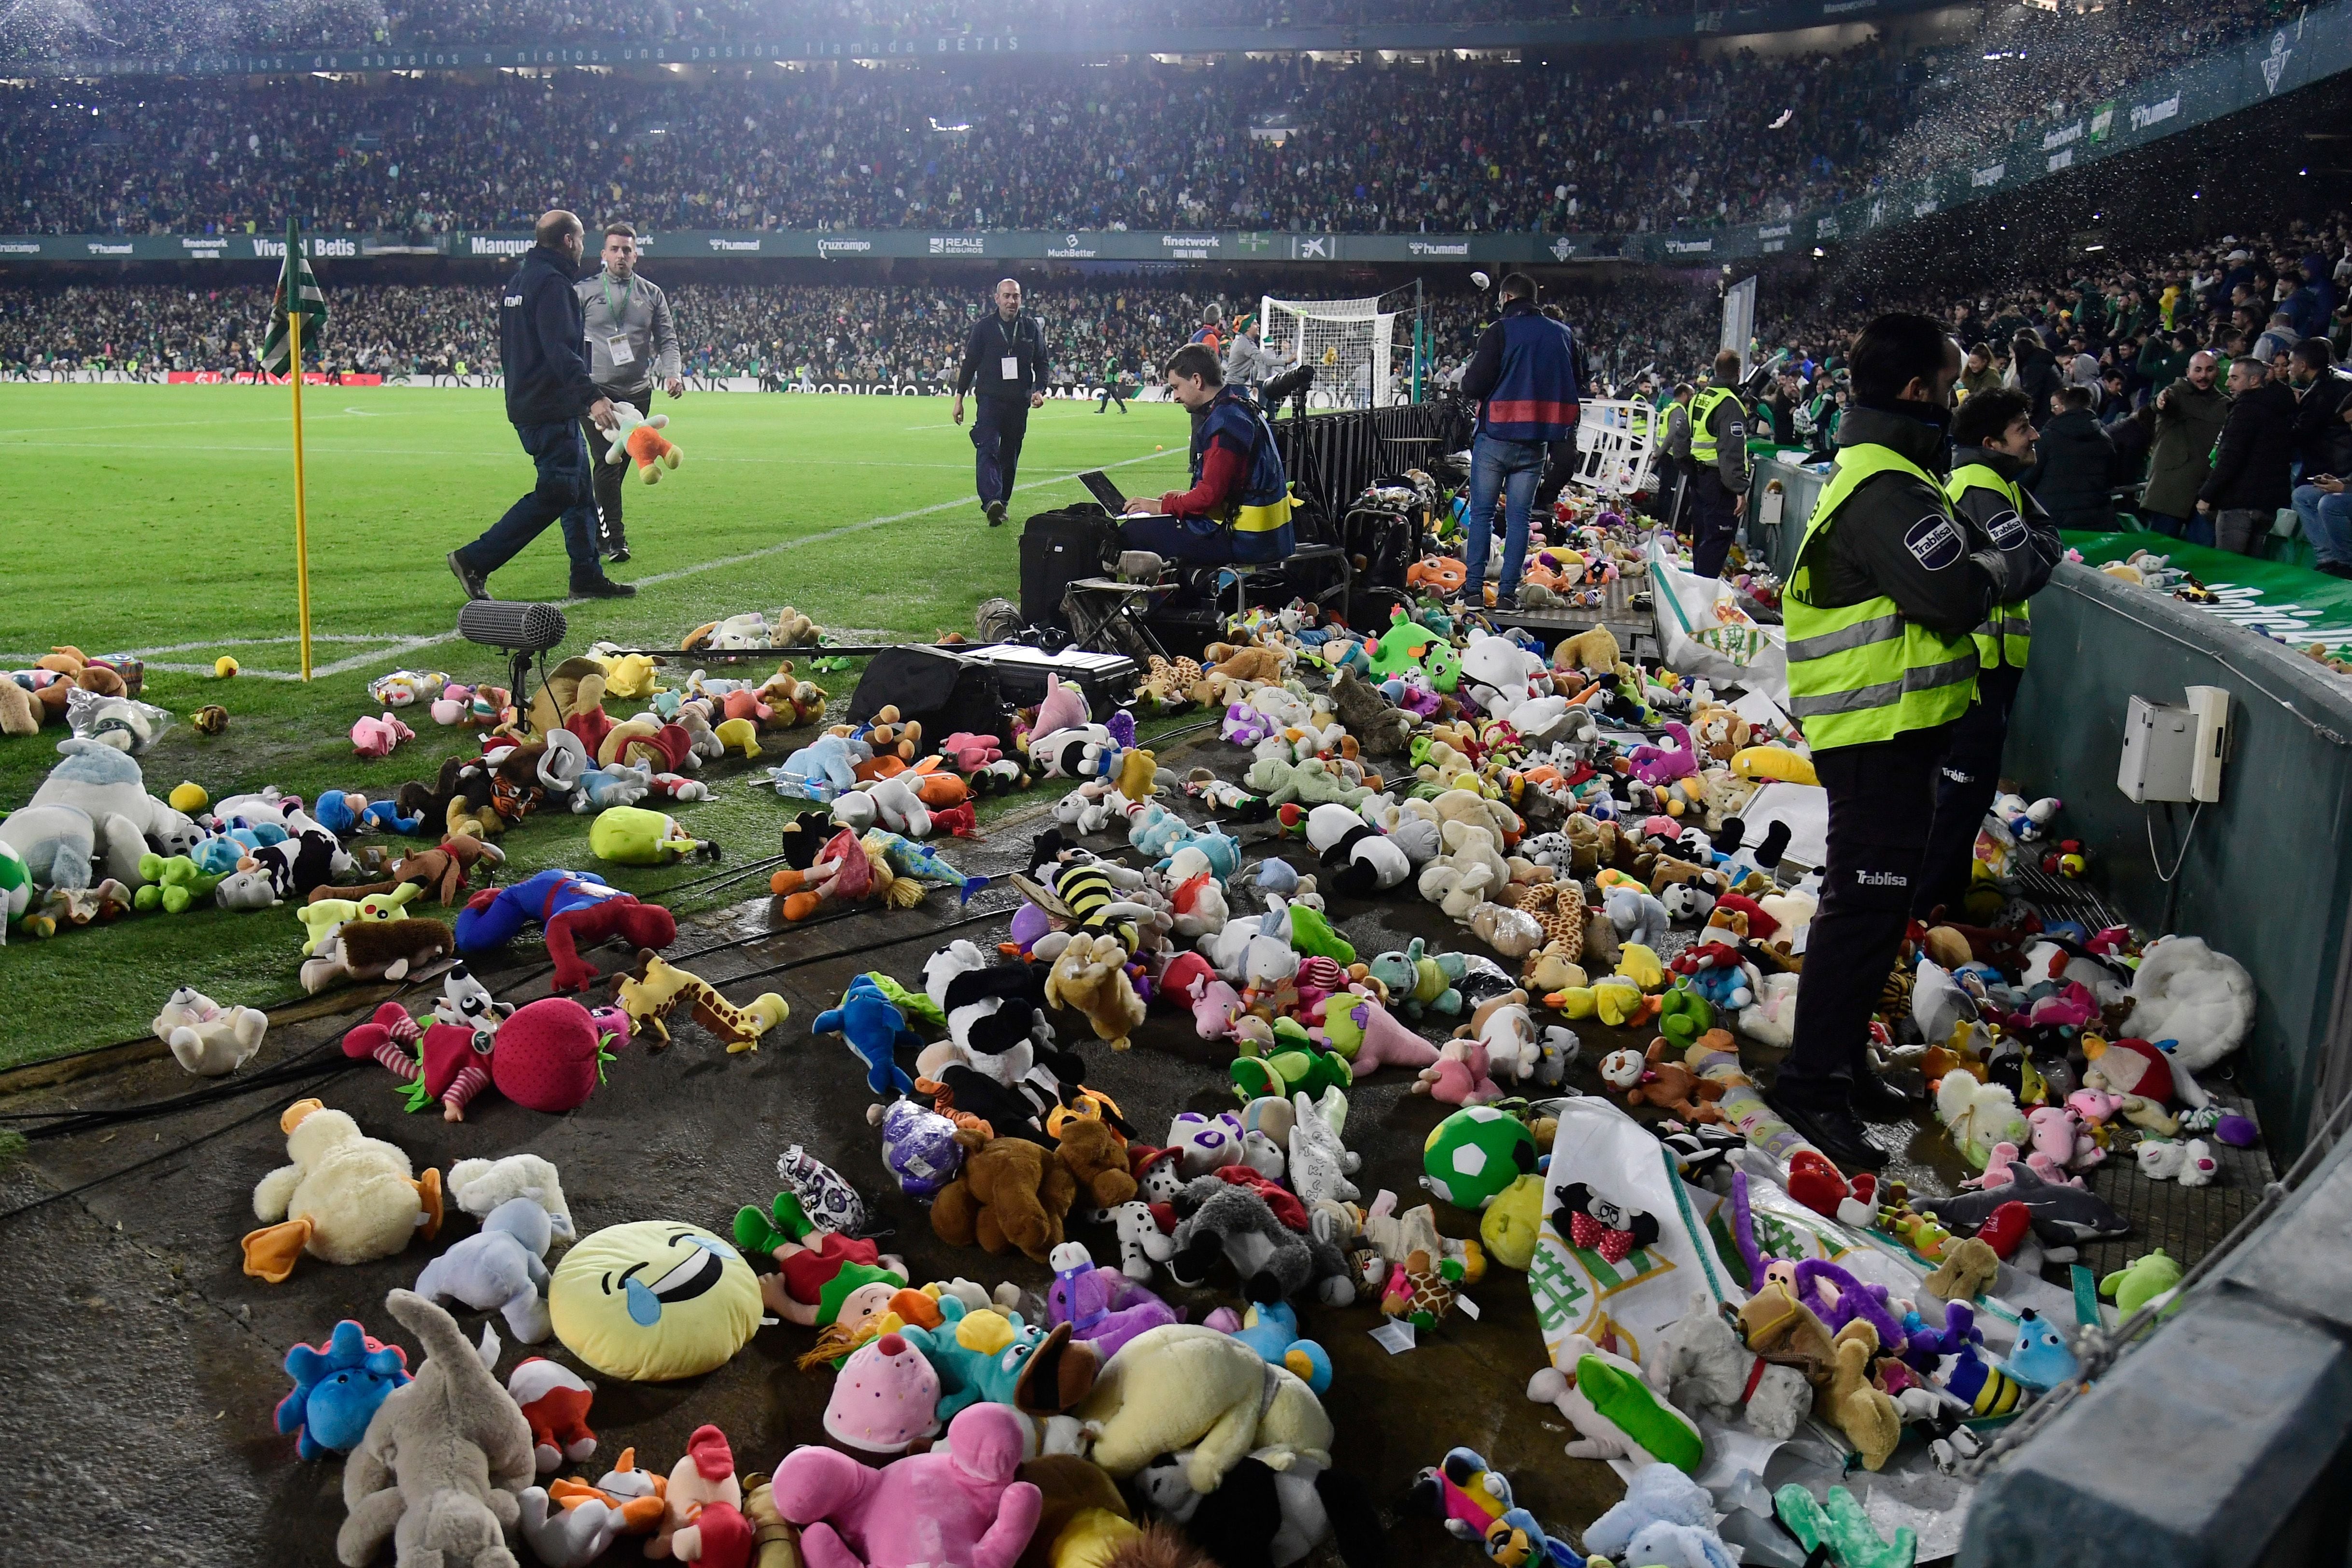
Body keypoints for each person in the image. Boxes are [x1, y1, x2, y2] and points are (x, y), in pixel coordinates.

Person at [1770, 313, 2006, 1170]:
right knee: (1860, 905)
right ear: (1918, 391)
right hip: (1873, 734)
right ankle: (1809, 1082)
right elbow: (1951, 597)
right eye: (1951, 382)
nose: (1958, 397)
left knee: (1879, 907)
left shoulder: (1894, 475)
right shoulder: (1883, 489)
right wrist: (2001, 568)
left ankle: (1842, 1059)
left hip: (1895, 732)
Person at [1912, 387, 2061, 919]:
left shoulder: (1994, 483)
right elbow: (2026, 563)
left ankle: (1935, 902)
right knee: (1958, 796)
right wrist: (2043, 545)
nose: (2035, 434)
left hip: (1984, 665)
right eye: (2023, 427)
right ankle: (1930, 910)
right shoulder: (1981, 486)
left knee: (1963, 796)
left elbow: (2038, 540)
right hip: (1977, 666)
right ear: (1991, 442)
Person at [447, 210, 628, 603]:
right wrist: (593, 397)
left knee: (579, 491)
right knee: (559, 490)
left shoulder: (520, 281)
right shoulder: (552, 285)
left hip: (531, 400)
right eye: (580, 239)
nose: (583, 246)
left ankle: (586, 574)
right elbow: (560, 350)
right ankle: (474, 559)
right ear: (567, 241)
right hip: (548, 407)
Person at [1457, 273, 1580, 607]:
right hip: (1537, 441)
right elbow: (1578, 382)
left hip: (1495, 435)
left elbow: (1472, 385)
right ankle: (1509, 593)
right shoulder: (1563, 335)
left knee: (1482, 514)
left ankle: (1473, 591)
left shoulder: (1498, 331)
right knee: (1519, 519)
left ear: (1507, 297)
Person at [1116, 344, 1294, 565]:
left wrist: (1157, 507)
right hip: (1271, 536)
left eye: (1177, 387)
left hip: (1245, 540)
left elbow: (1208, 497)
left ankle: (1145, 599)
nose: (1175, 397)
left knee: (1130, 532)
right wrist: (1181, 499)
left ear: (1197, 380)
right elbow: (1231, 487)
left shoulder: (1225, 423)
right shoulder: (1242, 407)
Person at [575, 222, 682, 565]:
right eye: (615, 249)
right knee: (608, 462)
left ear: (636, 254)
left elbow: (667, 338)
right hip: (598, 393)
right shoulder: (584, 291)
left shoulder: (651, 294)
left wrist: (673, 371)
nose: (621, 255)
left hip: (637, 394)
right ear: (603, 253)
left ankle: (595, 530)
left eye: (627, 249)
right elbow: (567, 339)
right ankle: (615, 540)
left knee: (618, 469)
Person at [952, 278, 1047, 527]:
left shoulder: (1030, 328)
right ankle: (991, 500)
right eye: (1006, 296)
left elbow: (1042, 362)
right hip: (990, 400)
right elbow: (970, 363)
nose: (1011, 301)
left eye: (1015, 296)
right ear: (997, 299)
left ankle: (1002, 503)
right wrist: (959, 399)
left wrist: (1040, 390)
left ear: (1021, 299)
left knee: (1010, 454)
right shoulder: (983, 328)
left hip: (1019, 402)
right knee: (987, 447)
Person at [2198, 354, 2298, 554]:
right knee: (2250, 574)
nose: (2227, 383)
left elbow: (2230, 456)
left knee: (2228, 571)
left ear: (2254, 380)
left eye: (2235, 378)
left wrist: (2207, 494)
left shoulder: (2245, 409)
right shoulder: (2281, 408)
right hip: (2268, 506)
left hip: (2239, 502)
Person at [2144, 351, 2229, 540]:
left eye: (2209, 370)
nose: (2203, 376)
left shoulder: (2225, 405)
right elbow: (2162, 402)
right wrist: (2160, 401)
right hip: (2170, 493)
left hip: (2205, 496)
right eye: (2198, 370)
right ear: (2188, 372)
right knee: (2157, 555)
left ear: (2217, 372)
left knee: (2202, 557)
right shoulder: (2175, 393)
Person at [1687, 349, 1752, 579]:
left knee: (1703, 538)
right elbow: (1730, 450)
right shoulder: (1730, 404)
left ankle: (1697, 590)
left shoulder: (1700, 397)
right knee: (1717, 540)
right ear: (1738, 372)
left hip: (1699, 478)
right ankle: (1703, 599)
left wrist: (1689, 471)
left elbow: (1684, 438)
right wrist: (1739, 489)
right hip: (1719, 483)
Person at [2290, 338, 2352, 575]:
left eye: (2292, 363)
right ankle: (2328, 560)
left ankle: (2345, 565)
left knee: (2330, 503)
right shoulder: (2342, 381)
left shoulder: (2320, 392)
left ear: (2303, 365)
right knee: (2303, 495)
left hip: (2335, 464)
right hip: (2340, 471)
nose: (2289, 369)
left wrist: (2343, 488)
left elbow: (2300, 434)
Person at [2026, 386, 2118, 531]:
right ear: (2090, 405)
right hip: (2096, 519)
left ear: (2065, 407)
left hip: (2054, 519)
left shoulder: (2048, 438)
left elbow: (2030, 476)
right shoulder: (2105, 439)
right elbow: (2112, 478)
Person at [1658, 382, 1695, 535]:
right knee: (1672, 491)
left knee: (1664, 488)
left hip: (1664, 455)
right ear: (1685, 395)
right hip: (1671, 456)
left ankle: (1660, 518)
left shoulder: (1668, 409)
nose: (1692, 399)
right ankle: (1668, 521)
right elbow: (1673, 435)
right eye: (1691, 395)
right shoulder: (1679, 412)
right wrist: (1661, 452)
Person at [1097, 348, 1129, 413]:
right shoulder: (1109, 361)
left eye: (1109, 352)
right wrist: (1102, 379)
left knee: (1106, 395)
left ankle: (1102, 410)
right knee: (1115, 396)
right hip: (1108, 381)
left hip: (1112, 381)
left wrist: (1109, 370)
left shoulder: (1114, 361)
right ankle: (1123, 408)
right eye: (1107, 352)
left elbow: (1116, 370)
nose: (1107, 354)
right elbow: (1107, 373)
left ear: (1112, 354)